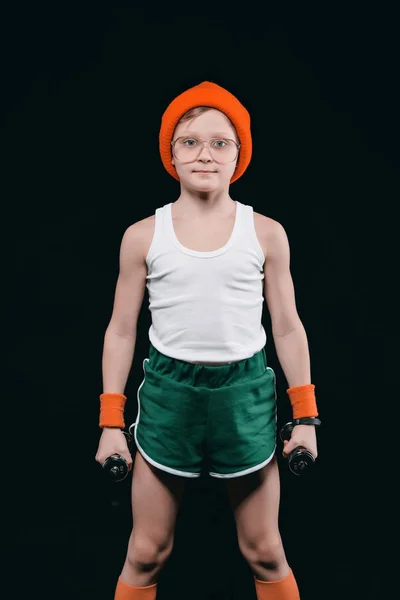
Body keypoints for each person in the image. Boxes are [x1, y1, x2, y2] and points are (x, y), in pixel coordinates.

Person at [95, 81, 320, 600]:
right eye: (190, 141)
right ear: (170, 152)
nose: (205, 154)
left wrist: (305, 416)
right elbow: (121, 330)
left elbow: (286, 326)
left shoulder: (266, 233)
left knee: (265, 550)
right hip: (169, 395)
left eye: (221, 142)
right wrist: (110, 423)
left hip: (245, 397)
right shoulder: (142, 236)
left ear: (240, 154)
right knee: (146, 551)